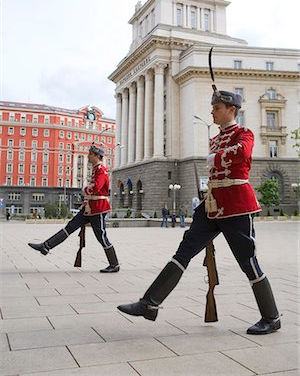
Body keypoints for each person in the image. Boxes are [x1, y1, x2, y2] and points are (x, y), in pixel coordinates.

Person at [118, 90, 281, 335]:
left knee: (248, 261)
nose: (212, 111)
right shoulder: (215, 139)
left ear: (231, 110)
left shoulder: (243, 133)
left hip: (237, 206)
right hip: (211, 205)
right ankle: (149, 303)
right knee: (183, 251)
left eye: (216, 107)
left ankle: (272, 317)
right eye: (212, 107)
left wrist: (216, 158)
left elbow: (243, 154)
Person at [28, 145, 120, 273]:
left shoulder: (101, 169)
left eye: (90, 154)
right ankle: (46, 246)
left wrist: (85, 190)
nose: (88, 156)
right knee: (70, 227)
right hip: (90, 207)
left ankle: (114, 264)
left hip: (98, 208)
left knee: (101, 236)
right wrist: (86, 201)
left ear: (96, 156)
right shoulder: (96, 169)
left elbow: (97, 188)